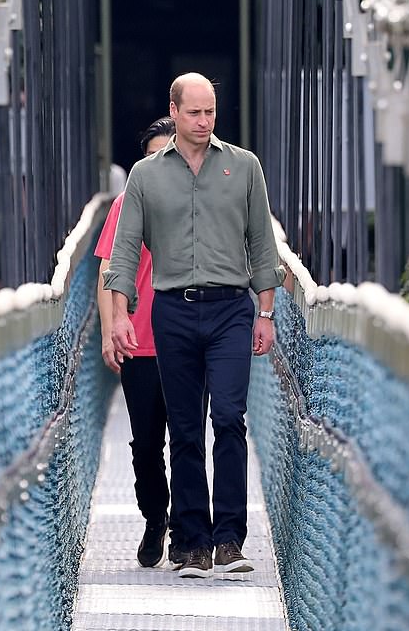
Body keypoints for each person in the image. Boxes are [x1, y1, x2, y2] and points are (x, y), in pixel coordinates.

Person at [105, 73, 285, 579]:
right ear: (174, 110)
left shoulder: (245, 167)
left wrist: (266, 312)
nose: (204, 122)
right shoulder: (144, 175)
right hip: (173, 309)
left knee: (228, 419)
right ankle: (192, 543)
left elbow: (263, 245)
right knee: (183, 429)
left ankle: (230, 538)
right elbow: (123, 248)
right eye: (195, 113)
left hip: (231, 309)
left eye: (211, 112)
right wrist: (119, 314)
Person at [95, 116, 184, 569]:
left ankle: (186, 532)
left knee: (186, 438)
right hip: (138, 341)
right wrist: (111, 327)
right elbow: (107, 270)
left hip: (186, 339)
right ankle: (155, 518)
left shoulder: (196, 200)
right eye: (150, 157)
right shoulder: (126, 203)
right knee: (146, 445)